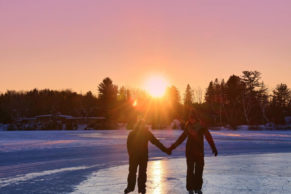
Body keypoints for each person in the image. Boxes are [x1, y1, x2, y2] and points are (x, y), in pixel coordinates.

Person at [169, 111, 218, 194]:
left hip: (199, 152)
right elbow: (181, 138)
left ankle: (198, 188)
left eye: (192, 118)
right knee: (190, 171)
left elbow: (208, 137)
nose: (191, 119)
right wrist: (172, 147)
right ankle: (190, 188)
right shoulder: (188, 127)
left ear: (196, 118)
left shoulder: (202, 127)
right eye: (190, 118)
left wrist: (213, 148)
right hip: (190, 152)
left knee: (199, 171)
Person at [124, 119, 170, 194]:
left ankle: (141, 188)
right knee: (133, 172)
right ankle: (130, 187)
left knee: (141, 172)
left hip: (142, 157)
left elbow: (155, 142)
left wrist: (165, 149)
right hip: (135, 157)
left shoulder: (146, 133)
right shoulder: (132, 134)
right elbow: (128, 145)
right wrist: (131, 154)